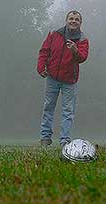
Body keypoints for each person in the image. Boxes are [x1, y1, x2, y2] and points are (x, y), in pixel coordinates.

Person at [37, 10, 89, 147]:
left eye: (76, 19)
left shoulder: (82, 39)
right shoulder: (55, 34)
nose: (73, 21)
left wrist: (74, 50)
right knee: (48, 107)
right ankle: (45, 138)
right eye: (71, 18)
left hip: (70, 81)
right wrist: (41, 67)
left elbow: (83, 57)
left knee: (68, 111)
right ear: (66, 20)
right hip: (52, 78)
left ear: (80, 23)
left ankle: (64, 140)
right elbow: (44, 51)